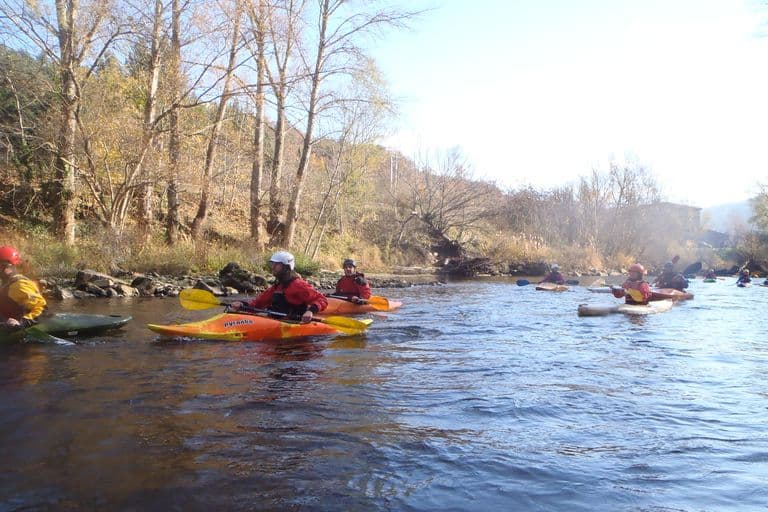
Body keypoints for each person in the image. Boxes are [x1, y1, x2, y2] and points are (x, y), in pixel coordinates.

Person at [228, 251, 327, 323]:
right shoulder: (277, 287)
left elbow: (322, 299)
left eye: (277, 264)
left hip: (293, 324)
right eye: (273, 264)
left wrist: (310, 311)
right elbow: (257, 304)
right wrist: (242, 305)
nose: (273, 267)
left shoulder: (298, 285)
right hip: (275, 322)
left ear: (286, 267)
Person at [0, 246, 47, 331]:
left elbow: (42, 308)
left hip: (17, 331)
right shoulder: (5, 283)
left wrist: (22, 322)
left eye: (2, 265)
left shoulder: (20, 285)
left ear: (11, 266)